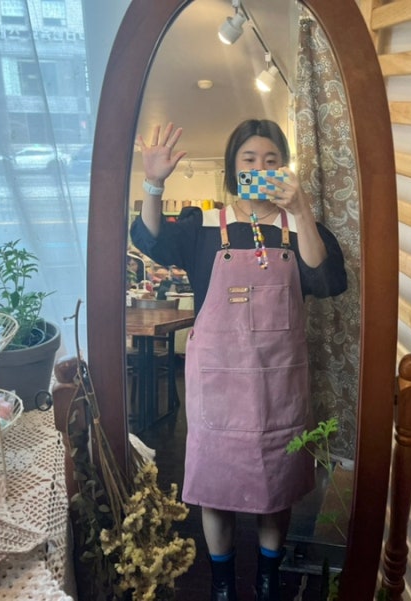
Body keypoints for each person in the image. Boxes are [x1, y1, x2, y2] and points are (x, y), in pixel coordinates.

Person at [131, 120, 347, 601]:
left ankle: (268, 578)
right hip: (218, 385)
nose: (260, 168)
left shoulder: (299, 228)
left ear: (284, 168)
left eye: (271, 160)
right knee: (216, 486)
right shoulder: (204, 227)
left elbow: (326, 280)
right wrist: (154, 183)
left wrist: (302, 209)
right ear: (234, 169)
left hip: (279, 385)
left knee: (277, 486)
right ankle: (223, 585)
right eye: (249, 159)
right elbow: (150, 240)